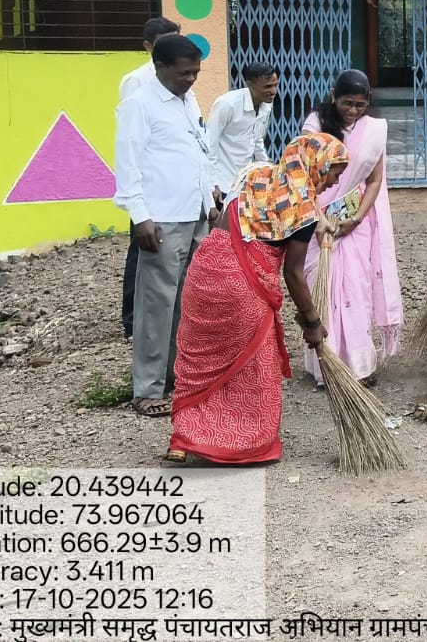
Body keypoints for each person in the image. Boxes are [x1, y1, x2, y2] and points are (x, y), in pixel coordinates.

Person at [166, 134, 349, 465]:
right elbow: (294, 273)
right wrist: (313, 323)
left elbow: (225, 217)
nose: (335, 180)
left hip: (204, 270)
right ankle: (242, 445)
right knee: (253, 369)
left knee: (200, 361)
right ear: (315, 164)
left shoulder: (255, 173)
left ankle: (182, 440)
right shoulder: (303, 207)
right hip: (244, 287)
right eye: (334, 171)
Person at [113, 34, 216, 417]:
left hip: (194, 216)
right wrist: (139, 216)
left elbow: (200, 153)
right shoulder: (139, 105)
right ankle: (147, 389)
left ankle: (176, 375)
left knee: (187, 302)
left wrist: (210, 204)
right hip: (161, 218)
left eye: (196, 73)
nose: (191, 79)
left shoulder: (187, 101)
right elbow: (127, 164)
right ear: (160, 67)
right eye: (185, 72)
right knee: (155, 304)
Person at [301, 70, 403, 388]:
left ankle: (359, 365)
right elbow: (303, 180)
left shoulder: (374, 130)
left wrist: (356, 218)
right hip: (318, 221)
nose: (354, 111)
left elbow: (374, 179)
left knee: (356, 291)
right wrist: (320, 220)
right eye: (348, 103)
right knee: (323, 288)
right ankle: (325, 366)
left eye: (361, 105)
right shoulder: (315, 125)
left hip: (355, 220)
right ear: (334, 95)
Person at [119, 16, 182, 342]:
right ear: (147, 47)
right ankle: (132, 318)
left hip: (174, 188)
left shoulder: (181, 83)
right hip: (147, 184)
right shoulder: (137, 82)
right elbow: (132, 140)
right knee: (141, 250)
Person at [206, 62, 278, 206]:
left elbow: (257, 140)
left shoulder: (266, 105)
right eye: (267, 86)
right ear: (250, 85)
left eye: (275, 85)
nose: (274, 91)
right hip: (222, 183)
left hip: (244, 183)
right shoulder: (227, 104)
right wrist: (213, 183)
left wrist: (268, 167)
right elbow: (210, 144)